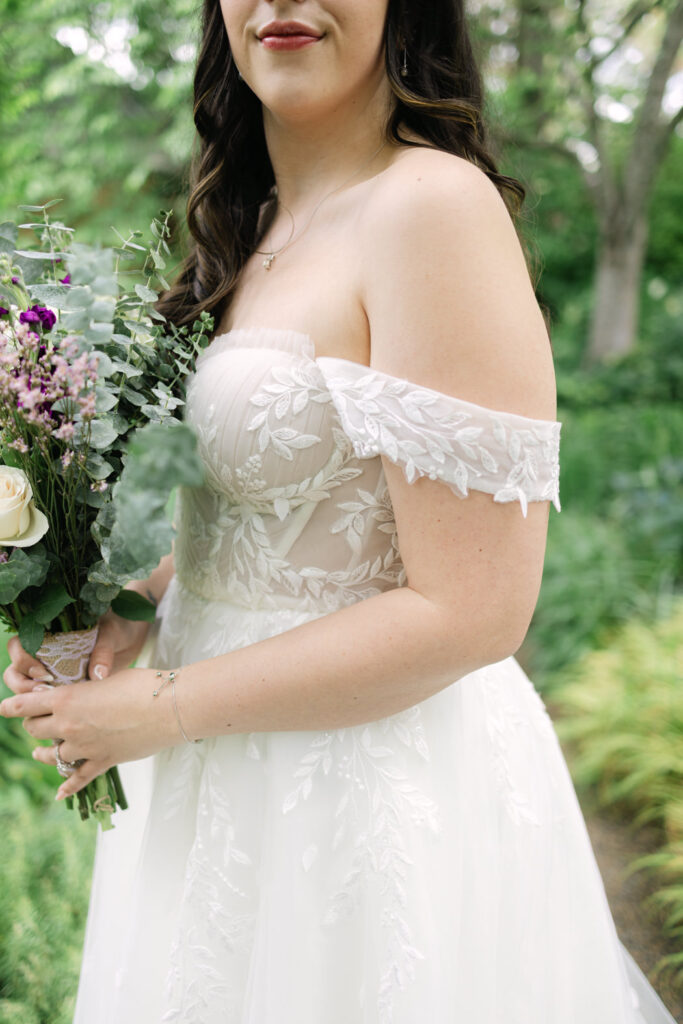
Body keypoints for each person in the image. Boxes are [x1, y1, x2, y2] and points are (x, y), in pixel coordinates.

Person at [0, 1, 678, 1021]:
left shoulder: (429, 207)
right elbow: (256, 508)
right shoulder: (249, 224)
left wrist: (166, 707)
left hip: (367, 797)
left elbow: (475, 607)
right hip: (213, 788)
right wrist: (126, 606)